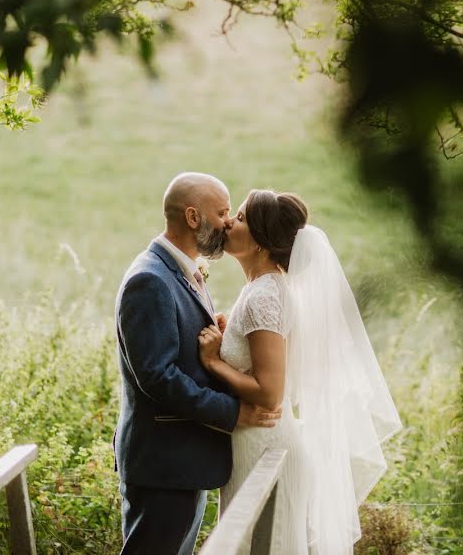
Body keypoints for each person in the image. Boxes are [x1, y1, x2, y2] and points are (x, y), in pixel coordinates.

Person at [198, 189, 402, 554]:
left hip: (264, 445)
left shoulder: (266, 294)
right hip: (253, 443)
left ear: (260, 242)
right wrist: (231, 336)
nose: (229, 221)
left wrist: (214, 362)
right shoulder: (262, 289)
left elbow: (270, 392)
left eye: (241, 218)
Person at [114, 173, 280, 555]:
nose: (227, 222)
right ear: (193, 217)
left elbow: (179, 353)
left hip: (184, 458)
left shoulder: (182, 271)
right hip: (164, 465)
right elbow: (158, 376)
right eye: (223, 211)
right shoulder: (150, 279)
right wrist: (232, 412)